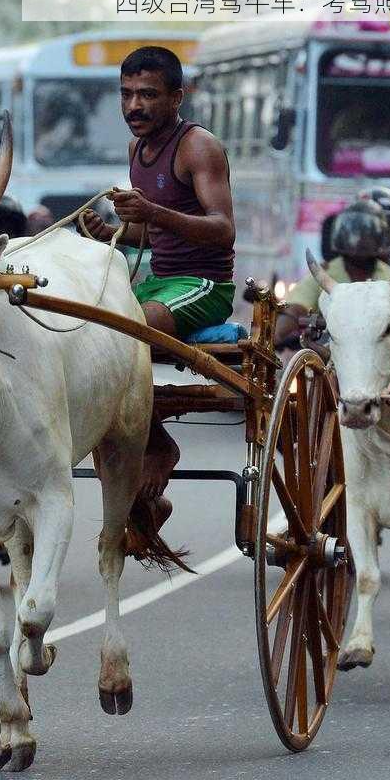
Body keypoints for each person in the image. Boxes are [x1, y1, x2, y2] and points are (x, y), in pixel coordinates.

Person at [79, 45, 236, 535]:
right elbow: (159, 232)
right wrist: (112, 236)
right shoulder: (137, 150)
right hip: (158, 281)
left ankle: (159, 446)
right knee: (86, 327)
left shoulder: (198, 147)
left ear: (176, 97)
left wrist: (152, 214)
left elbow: (221, 228)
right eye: (126, 95)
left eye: (147, 95)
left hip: (203, 286)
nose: (134, 106)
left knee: (128, 330)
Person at [274, 198, 390, 347]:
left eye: (365, 232)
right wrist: (276, 336)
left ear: (379, 236)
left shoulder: (389, 276)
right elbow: (296, 309)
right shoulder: (325, 272)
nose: (357, 239)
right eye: (352, 230)